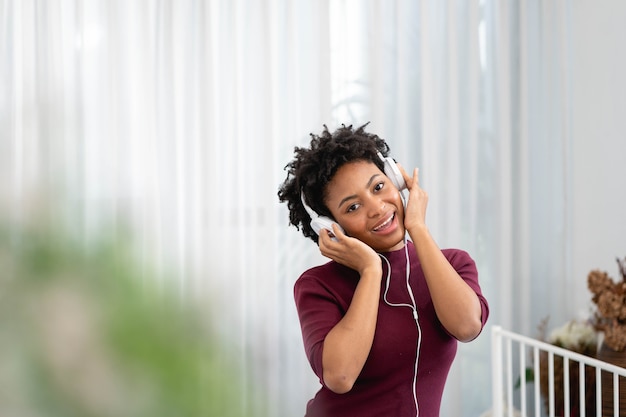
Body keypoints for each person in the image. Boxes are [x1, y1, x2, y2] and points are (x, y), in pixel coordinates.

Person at [277, 123, 489, 417]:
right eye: (353, 207)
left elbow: (466, 327)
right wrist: (370, 271)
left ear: (396, 180)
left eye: (379, 187)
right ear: (329, 226)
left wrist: (417, 227)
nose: (376, 208)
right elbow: (340, 376)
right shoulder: (317, 285)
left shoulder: (453, 264)